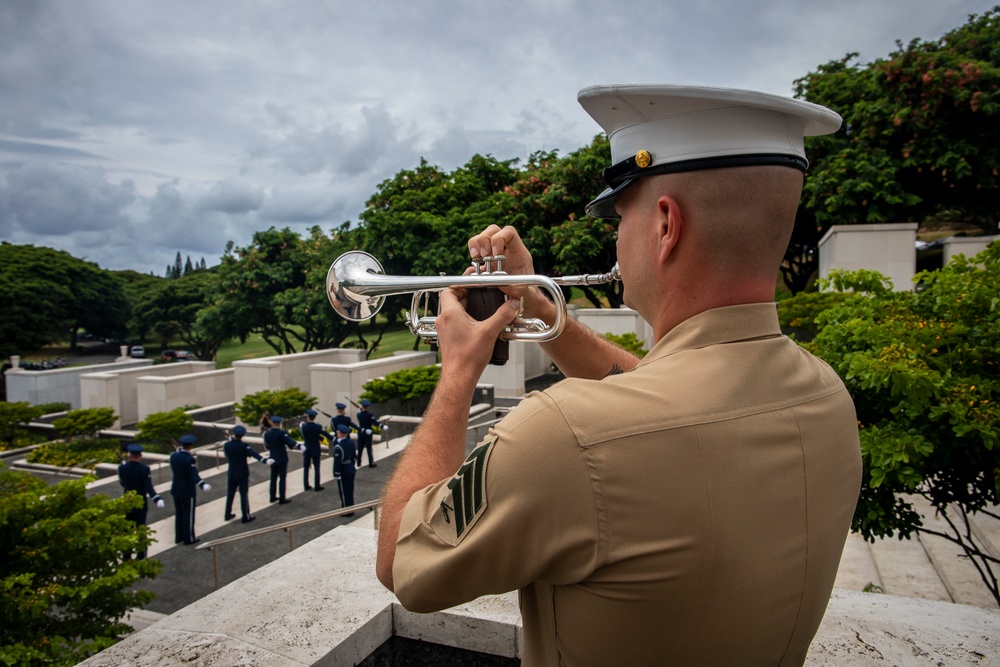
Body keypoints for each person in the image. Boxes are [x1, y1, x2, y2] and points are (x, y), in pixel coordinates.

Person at [375, 84, 863, 666]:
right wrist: (541, 309)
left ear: (665, 225)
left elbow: (403, 563)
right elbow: (667, 395)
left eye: (617, 216)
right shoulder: (828, 394)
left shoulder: (565, 432)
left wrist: (456, 372)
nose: (614, 237)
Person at [117, 443, 165, 559]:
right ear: (140, 455)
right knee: (141, 531)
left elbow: (123, 483)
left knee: (127, 531)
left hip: (127, 503)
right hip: (140, 504)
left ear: (129, 455)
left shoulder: (122, 468)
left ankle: (126, 555)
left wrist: (124, 467)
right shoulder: (144, 469)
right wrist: (156, 498)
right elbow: (147, 486)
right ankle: (141, 555)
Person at [223, 425, 273, 523]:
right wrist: (265, 461)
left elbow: (228, 453)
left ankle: (227, 514)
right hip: (242, 473)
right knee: (243, 495)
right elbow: (254, 454)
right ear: (242, 435)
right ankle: (245, 516)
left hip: (231, 472)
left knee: (230, 494)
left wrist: (231, 441)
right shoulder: (243, 446)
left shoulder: (227, 445)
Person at [170, 434, 210, 546]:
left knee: (179, 513)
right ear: (191, 446)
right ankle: (189, 538)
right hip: (187, 490)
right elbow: (193, 474)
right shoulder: (189, 459)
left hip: (176, 489)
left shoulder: (174, 456)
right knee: (188, 514)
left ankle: (179, 537)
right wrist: (202, 484)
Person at [263, 415, 303, 504]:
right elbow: (289, 441)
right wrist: (299, 445)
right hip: (281, 458)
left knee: (273, 479)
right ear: (279, 424)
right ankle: (282, 498)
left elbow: (267, 446)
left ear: (272, 423)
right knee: (282, 479)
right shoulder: (281, 433)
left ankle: (272, 497)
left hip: (272, 458)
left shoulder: (267, 434)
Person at [300, 409, 333, 491]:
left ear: (308, 417)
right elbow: (327, 435)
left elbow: (303, 436)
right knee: (317, 468)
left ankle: (306, 485)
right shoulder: (318, 427)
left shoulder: (304, 427)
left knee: (306, 468)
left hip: (307, 448)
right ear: (314, 417)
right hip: (315, 448)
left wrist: (301, 427)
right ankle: (317, 485)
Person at [331, 422, 357, 516]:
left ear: (341, 433)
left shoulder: (339, 446)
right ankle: (351, 509)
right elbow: (354, 457)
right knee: (350, 490)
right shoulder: (351, 442)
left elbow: (337, 461)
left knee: (344, 491)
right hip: (351, 468)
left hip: (343, 470)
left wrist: (336, 473)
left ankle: (346, 511)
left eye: (338, 432)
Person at [355, 399, 387, 467]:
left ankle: (358, 462)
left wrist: (359, 411)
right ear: (368, 407)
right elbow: (375, 423)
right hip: (368, 434)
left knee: (360, 448)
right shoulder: (369, 415)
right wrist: (382, 426)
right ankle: (371, 462)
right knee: (369, 448)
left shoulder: (358, 415)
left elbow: (360, 417)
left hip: (361, 433)